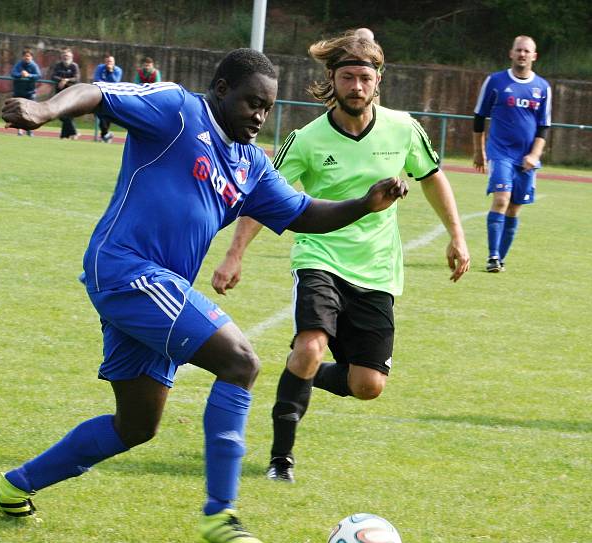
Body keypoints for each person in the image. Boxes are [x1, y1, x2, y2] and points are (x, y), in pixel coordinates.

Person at [0, 47, 408, 543]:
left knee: (135, 425)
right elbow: (99, 92)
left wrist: (366, 203)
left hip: (157, 289)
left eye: (268, 108)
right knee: (241, 361)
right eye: (252, 102)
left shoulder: (249, 163)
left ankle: (10, 488)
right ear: (222, 89)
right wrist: (45, 110)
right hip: (127, 268)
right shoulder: (178, 110)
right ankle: (220, 515)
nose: (259, 116)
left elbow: (302, 213)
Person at [212, 33, 470, 484]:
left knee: (367, 386)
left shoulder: (403, 128)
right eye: (347, 77)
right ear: (332, 80)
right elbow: (263, 197)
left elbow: (432, 177)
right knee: (310, 345)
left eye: (364, 78)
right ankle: (280, 459)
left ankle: (302, 371)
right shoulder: (307, 139)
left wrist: (457, 235)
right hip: (320, 255)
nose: (356, 86)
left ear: (377, 82)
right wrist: (235, 255)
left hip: (377, 269)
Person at [473, 35, 552, 272]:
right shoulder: (495, 81)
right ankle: (493, 257)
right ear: (511, 53)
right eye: (518, 50)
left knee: (515, 207)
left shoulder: (543, 87)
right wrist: (480, 152)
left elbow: (544, 127)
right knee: (501, 199)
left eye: (527, 51)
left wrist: (534, 155)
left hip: (527, 158)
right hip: (500, 153)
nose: (522, 54)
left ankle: (500, 258)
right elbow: (479, 118)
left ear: (534, 56)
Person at [50, 48, 82, 139]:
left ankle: (69, 134)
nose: (65, 57)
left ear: (71, 57)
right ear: (61, 57)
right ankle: (67, 134)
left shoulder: (74, 66)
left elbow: (77, 78)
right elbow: (53, 76)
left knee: (66, 115)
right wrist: (61, 80)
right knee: (62, 115)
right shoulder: (58, 65)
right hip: (59, 94)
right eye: (64, 55)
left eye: (67, 55)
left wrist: (66, 80)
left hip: (71, 94)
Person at [92, 54, 123, 142]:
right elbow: (96, 79)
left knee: (107, 115)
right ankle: (105, 135)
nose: (108, 63)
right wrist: (105, 83)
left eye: (110, 61)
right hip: (100, 93)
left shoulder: (118, 70)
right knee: (99, 113)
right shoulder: (100, 68)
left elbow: (116, 82)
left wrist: (110, 71)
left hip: (111, 95)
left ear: (114, 62)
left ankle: (104, 135)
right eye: (107, 61)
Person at [11, 49, 41, 136]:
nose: (27, 57)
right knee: (19, 112)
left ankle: (29, 130)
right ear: (23, 57)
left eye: (29, 56)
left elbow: (38, 75)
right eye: (25, 56)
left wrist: (29, 75)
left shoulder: (34, 66)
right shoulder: (18, 65)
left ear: (31, 57)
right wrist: (21, 74)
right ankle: (20, 130)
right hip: (18, 92)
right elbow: (13, 73)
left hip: (29, 93)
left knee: (30, 113)